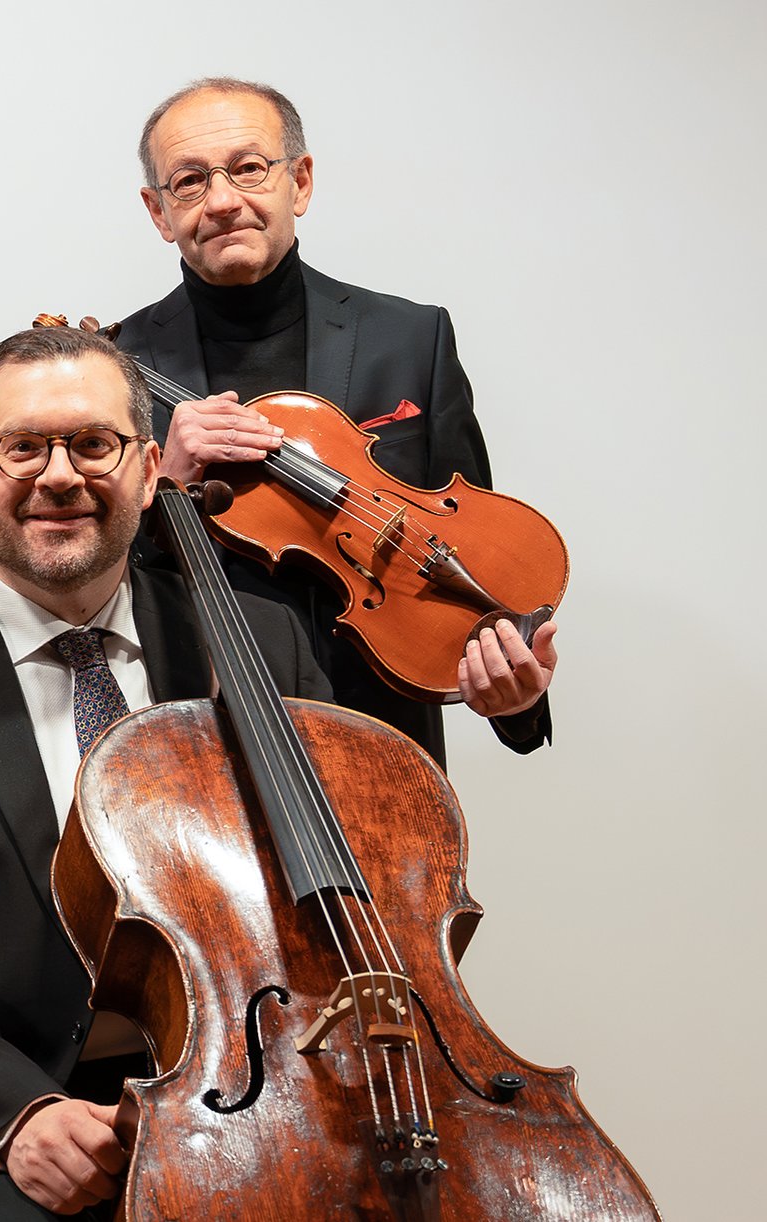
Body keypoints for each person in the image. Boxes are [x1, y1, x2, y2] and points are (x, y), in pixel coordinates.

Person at [0, 327, 330, 1220]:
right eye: (23, 447)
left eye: (94, 444)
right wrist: (21, 1116)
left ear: (151, 467)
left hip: (258, 1087)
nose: (58, 476)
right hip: (9, 1103)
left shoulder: (262, 647)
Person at [110, 77, 553, 763]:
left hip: (388, 741)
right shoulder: (115, 367)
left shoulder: (411, 339)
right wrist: (163, 487)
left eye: (249, 168)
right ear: (158, 211)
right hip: (203, 746)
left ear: (301, 181)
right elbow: (90, 588)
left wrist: (517, 705)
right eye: (190, 182)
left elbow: (470, 548)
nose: (223, 201)